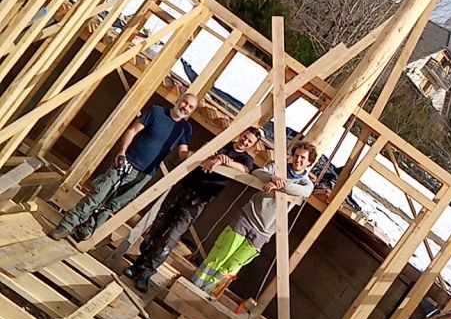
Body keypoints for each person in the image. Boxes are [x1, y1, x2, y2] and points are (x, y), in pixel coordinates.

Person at [123, 127, 262, 293]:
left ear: (252, 145)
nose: (245, 141)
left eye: (249, 141)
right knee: (157, 228)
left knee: (171, 237)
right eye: (245, 137)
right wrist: (210, 151)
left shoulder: (245, 159)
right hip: (183, 189)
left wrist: (223, 161)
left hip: (198, 200)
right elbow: (202, 149)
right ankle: (137, 265)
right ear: (241, 134)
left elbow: (245, 170)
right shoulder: (223, 143)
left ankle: (146, 274)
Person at [52, 93, 198, 242]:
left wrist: (200, 156)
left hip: (144, 175)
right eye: (184, 102)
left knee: (113, 205)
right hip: (128, 162)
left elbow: (183, 154)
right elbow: (132, 131)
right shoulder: (157, 112)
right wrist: (122, 152)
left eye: (190, 107)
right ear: (178, 101)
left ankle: (85, 230)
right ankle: (66, 226)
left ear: (192, 111)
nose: (186, 107)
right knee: (98, 195)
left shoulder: (184, 129)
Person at [191, 140, 317, 293]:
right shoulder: (278, 168)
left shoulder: (306, 183)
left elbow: (305, 192)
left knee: (233, 265)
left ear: (309, 162)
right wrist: (273, 178)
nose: (298, 160)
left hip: (265, 231)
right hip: (248, 217)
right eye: (296, 156)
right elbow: (257, 172)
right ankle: (195, 284)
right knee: (221, 253)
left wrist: (280, 184)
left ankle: (207, 290)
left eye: (303, 158)